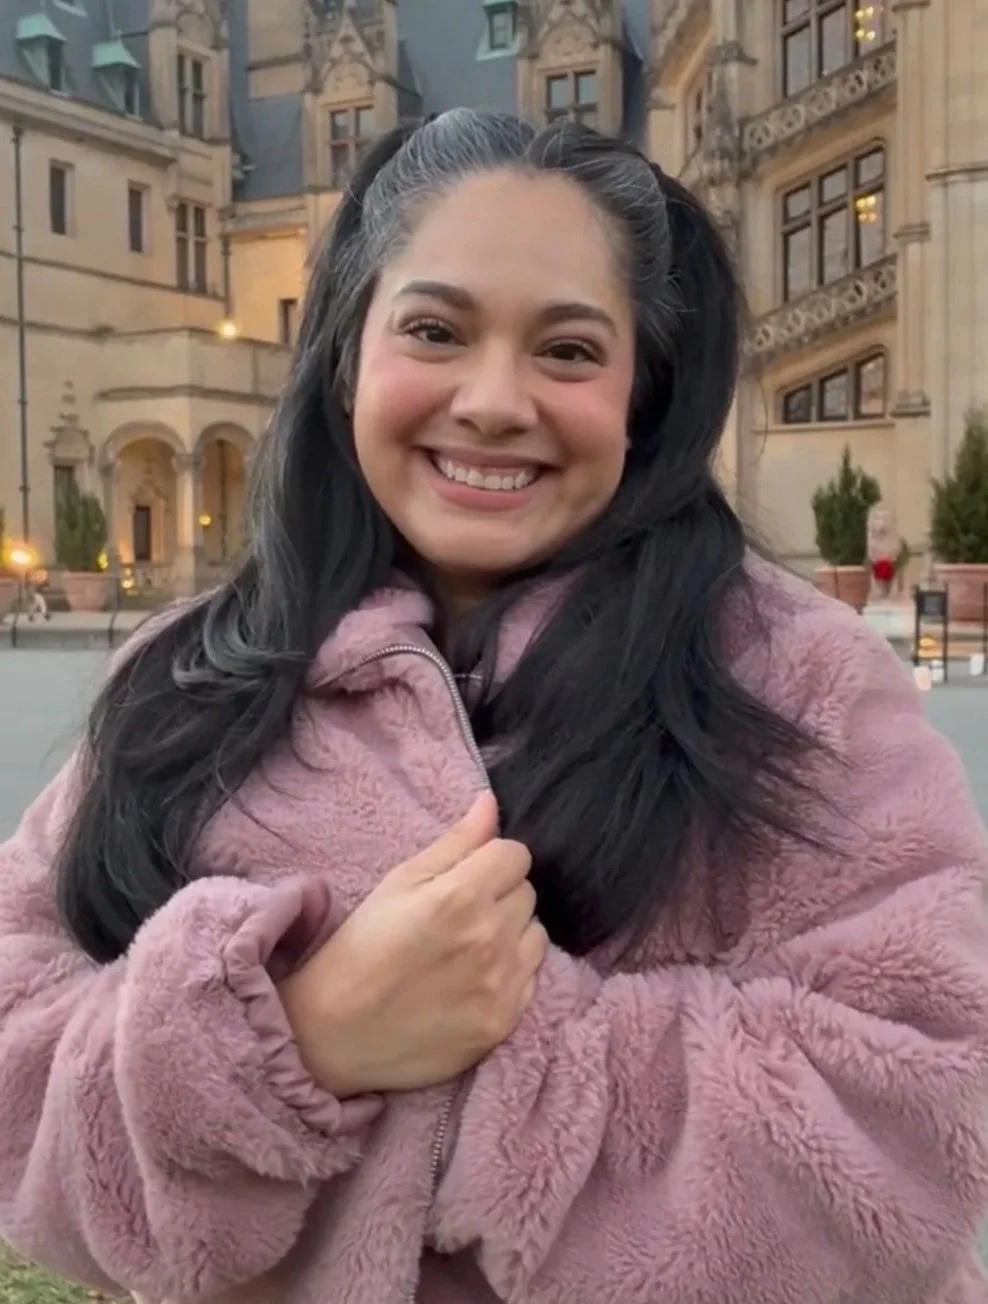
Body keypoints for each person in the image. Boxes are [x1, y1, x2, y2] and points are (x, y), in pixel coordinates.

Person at [0, 110, 986, 1304]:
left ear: (642, 392)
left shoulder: (797, 682)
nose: (492, 400)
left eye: (567, 350)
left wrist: (480, 1059)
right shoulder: (184, 677)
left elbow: (920, 1124)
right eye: (434, 329)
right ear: (346, 352)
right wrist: (295, 1037)